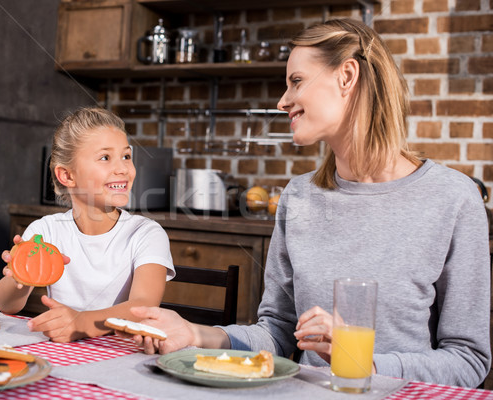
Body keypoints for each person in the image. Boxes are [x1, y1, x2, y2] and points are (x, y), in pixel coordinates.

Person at [117, 18, 491, 388]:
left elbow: (468, 359)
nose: (283, 102)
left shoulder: (452, 199)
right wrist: (196, 335)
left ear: (347, 77)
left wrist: (362, 363)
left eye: (296, 81)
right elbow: (277, 333)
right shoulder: (297, 197)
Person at [0, 107, 174, 342]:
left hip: (121, 354)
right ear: (67, 176)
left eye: (126, 156)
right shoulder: (46, 231)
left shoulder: (146, 234)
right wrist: (19, 277)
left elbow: (143, 306)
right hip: (63, 352)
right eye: (105, 158)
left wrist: (80, 322)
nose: (123, 169)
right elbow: (7, 306)